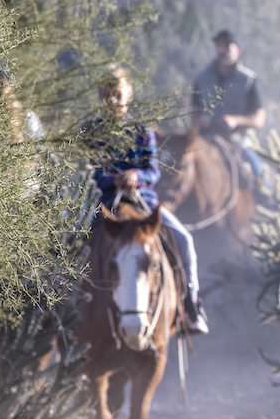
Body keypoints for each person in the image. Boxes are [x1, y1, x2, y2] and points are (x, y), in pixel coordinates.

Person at [83, 66, 209, 333]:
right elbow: (89, 171)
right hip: (103, 201)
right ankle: (55, 305)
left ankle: (191, 305)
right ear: (100, 95)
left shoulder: (142, 131)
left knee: (184, 240)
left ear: (128, 94)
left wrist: (135, 177)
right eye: (107, 94)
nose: (113, 100)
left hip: (142, 200)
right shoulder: (90, 131)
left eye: (118, 94)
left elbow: (153, 172)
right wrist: (112, 179)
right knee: (72, 243)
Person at [190, 30, 270, 194]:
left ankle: (267, 207)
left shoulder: (248, 80)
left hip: (237, 143)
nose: (222, 49)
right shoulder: (202, 77)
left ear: (238, 50)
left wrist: (236, 121)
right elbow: (193, 111)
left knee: (259, 174)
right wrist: (199, 120)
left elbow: (259, 119)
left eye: (227, 45)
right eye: (219, 45)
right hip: (204, 141)